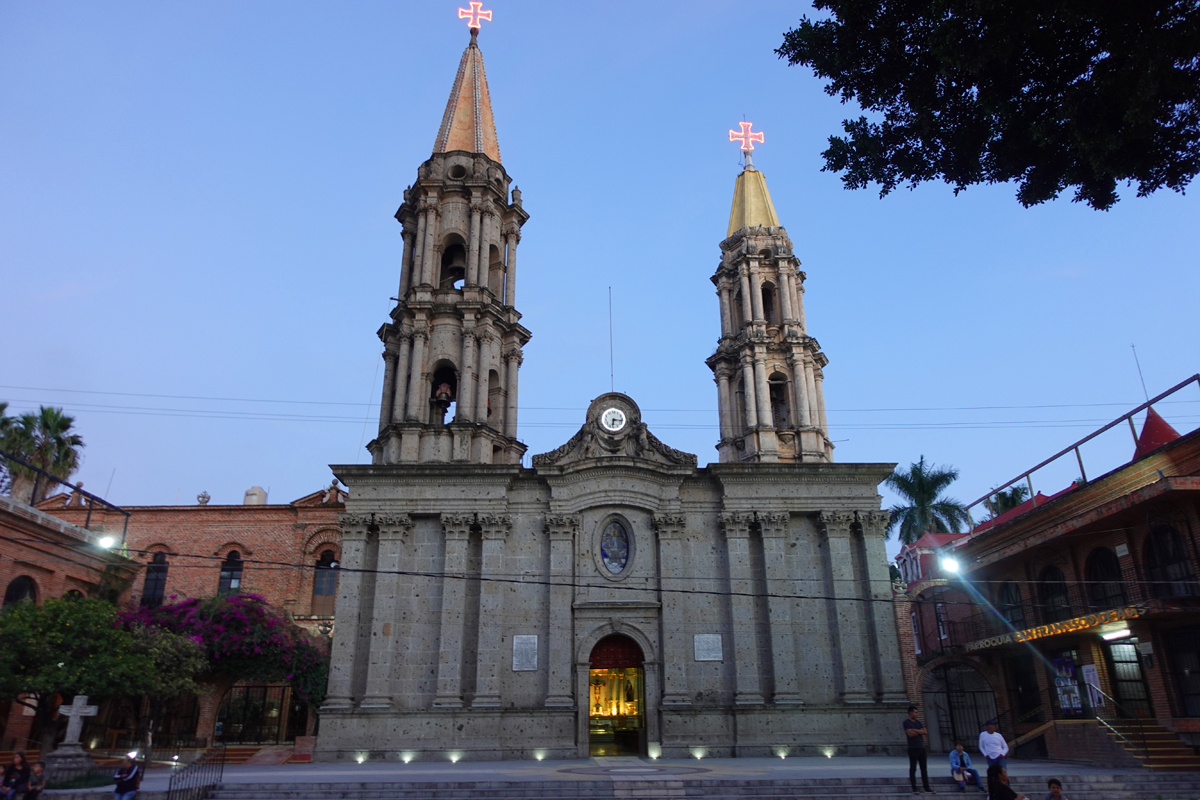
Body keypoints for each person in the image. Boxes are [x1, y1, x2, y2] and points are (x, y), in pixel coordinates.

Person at [904, 705, 936, 794]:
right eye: (915, 712)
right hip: (912, 748)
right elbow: (910, 734)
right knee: (913, 768)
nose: (916, 714)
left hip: (921, 747)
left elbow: (925, 732)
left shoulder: (918, 722)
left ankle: (927, 787)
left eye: (917, 712)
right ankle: (914, 787)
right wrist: (919, 731)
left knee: (924, 769)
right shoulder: (906, 722)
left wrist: (915, 730)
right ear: (910, 713)